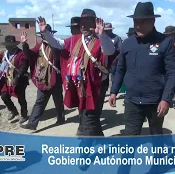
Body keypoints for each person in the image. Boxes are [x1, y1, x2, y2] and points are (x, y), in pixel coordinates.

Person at [38, 8, 116, 136]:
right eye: (81, 22)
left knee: (89, 117)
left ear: (94, 23)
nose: (83, 25)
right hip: (80, 86)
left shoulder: (101, 40)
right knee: (90, 117)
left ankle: (84, 150)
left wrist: (101, 35)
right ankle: (99, 141)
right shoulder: (75, 39)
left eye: (86, 22)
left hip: (95, 87)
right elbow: (57, 44)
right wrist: (45, 32)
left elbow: (109, 51)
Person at [109, 2, 175, 136]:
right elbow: (120, 69)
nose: (138, 26)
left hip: (156, 102)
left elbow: (172, 73)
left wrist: (166, 99)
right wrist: (114, 91)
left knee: (156, 136)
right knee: (130, 138)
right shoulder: (127, 43)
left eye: (143, 22)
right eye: (136, 22)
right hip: (132, 101)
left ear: (153, 21)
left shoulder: (165, 42)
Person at [20, 25, 65, 131]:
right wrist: (24, 44)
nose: (43, 37)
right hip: (43, 79)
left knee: (58, 100)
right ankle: (32, 123)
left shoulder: (57, 46)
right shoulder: (39, 46)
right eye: (42, 35)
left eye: (46, 34)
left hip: (55, 78)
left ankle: (61, 118)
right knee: (39, 101)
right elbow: (29, 54)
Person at [0, 35, 29, 123]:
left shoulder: (20, 54)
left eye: (9, 45)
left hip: (20, 79)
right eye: (6, 45)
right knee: (4, 96)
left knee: (21, 98)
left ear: (14, 45)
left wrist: (17, 77)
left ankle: (24, 115)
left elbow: (24, 66)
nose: (7, 47)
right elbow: (0, 61)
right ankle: (13, 111)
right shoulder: (4, 54)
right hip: (7, 79)